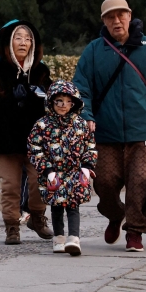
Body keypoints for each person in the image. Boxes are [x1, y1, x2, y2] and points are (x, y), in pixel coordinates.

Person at [72, 0, 146, 253]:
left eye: (121, 15)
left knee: (139, 183)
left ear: (130, 16)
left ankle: (135, 232)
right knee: (104, 184)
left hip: (141, 131)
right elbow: (81, 88)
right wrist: (87, 116)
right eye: (110, 17)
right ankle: (115, 214)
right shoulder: (94, 50)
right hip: (105, 133)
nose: (116, 20)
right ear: (104, 21)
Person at [0, 19, 54, 245]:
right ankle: (12, 226)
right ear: (8, 42)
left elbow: (48, 101)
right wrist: (18, 97)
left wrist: (31, 98)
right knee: (10, 185)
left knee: (38, 181)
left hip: (36, 139)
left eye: (28, 38)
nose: (24, 42)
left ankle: (37, 217)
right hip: (6, 137)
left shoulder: (41, 70)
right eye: (18, 37)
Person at [28, 80, 98, 256]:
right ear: (51, 101)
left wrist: (87, 165)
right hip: (53, 172)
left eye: (68, 102)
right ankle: (58, 237)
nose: (63, 106)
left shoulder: (80, 124)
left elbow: (90, 146)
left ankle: (74, 237)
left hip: (75, 171)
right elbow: (35, 148)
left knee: (73, 205)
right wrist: (47, 170)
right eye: (59, 101)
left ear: (74, 103)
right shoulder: (42, 125)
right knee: (56, 206)